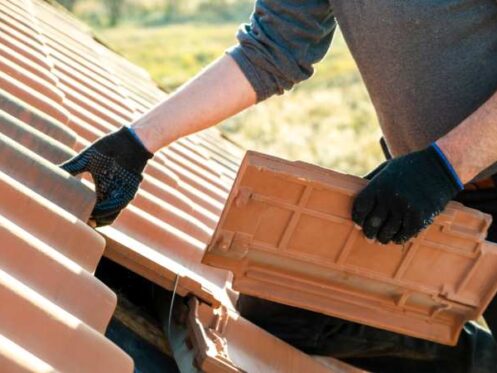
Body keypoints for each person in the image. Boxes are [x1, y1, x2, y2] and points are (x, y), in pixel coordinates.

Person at [61, 1, 497, 371]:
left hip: (443, 172)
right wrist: (136, 143)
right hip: (433, 182)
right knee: (287, 310)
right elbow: (271, 49)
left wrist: (445, 165)